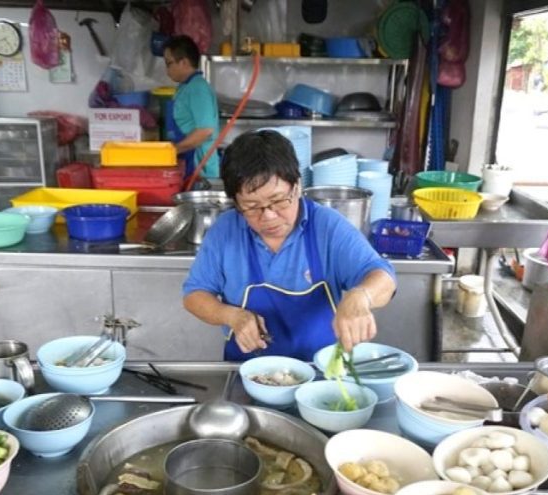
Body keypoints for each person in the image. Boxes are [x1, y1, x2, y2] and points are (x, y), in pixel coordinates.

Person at [182, 130, 397, 361]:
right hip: (248, 372)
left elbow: (383, 276)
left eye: (278, 201)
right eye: (252, 206)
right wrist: (231, 316)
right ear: (235, 202)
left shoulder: (327, 226)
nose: (269, 216)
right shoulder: (225, 231)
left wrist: (361, 296)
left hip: (321, 374)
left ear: (297, 186)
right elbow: (195, 294)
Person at [163, 35, 220, 179]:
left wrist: (172, 151)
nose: (167, 70)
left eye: (169, 63)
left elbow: (205, 130)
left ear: (184, 62)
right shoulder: (185, 87)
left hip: (199, 167)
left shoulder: (198, 88)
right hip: (186, 161)